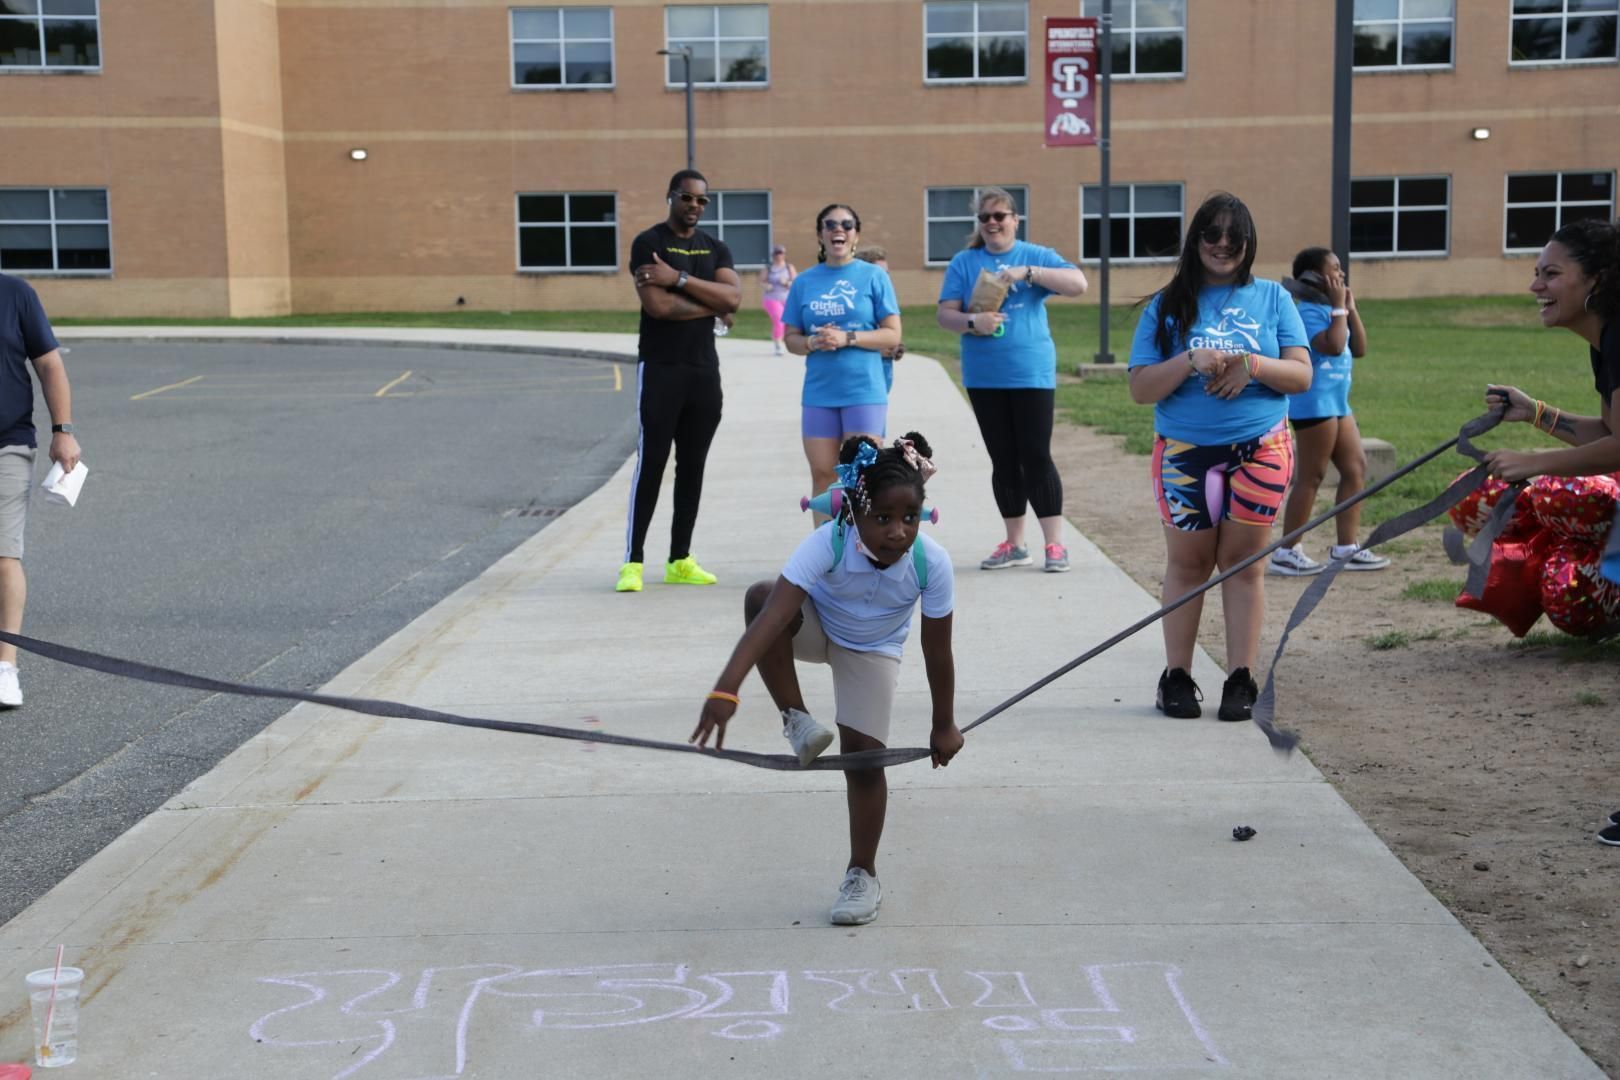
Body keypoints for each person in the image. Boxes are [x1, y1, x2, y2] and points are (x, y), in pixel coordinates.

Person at [690, 433, 960, 925]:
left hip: (873, 651)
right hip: (815, 628)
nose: (898, 532)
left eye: (909, 518)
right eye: (883, 518)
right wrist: (726, 687)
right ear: (854, 513)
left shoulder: (932, 563)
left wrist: (944, 724)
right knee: (760, 594)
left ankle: (863, 873)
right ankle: (797, 721)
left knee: (863, 761)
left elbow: (937, 650)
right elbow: (772, 617)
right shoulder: (827, 542)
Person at [1127, 192, 1312, 722]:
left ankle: (1240, 677)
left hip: (1261, 450)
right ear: (1196, 240)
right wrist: (1189, 359)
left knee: (1243, 566)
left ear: (1249, 244)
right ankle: (1177, 677)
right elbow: (1141, 388)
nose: (1223, 244)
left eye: (1235, 236)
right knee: (1188, 564)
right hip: (1186, 454)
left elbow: (1301, 375)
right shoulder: (1167, 306)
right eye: (1212, 234)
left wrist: (1252, 363)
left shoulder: (1274, 298)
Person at [1477, 217, 1619, 847]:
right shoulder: (1606, 341)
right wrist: (1534, 413)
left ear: (1598, 280)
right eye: (1538, 270)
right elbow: (1608, 433)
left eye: (1552, 272)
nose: (1536, 283)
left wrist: (1532, 466)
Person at [936, 187, 1088, 573]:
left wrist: (1030, 273)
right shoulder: (965, 262)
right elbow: (945, 315)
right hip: (985, 377)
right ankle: (1015, 544)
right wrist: (974, 322)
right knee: (1003, 460)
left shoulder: (1033, 255)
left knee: (1036, 456)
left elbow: (1078, 284)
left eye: (999, 216)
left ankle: (1055, 544)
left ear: (1014, 220)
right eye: (985, 218)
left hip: (1031, 373)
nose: (992, 223)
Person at [618, 168, 742, 593]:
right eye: (687, 198)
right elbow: (658, 307)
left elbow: (735, 297)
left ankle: (680, 559)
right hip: (661, 368)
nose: (694, 206)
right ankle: (632, 562)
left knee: (693, 466)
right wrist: (710, 303)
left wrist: (680, 281)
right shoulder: (649, 243)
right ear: (671, 197)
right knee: (651, 462)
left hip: (703, 373)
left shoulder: (715, 248)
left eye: (702, 200)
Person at [1270, 247, 1390, 575]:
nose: (1342, 275)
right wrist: (1338, 308)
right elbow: (1334, 345)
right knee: (1312, 475)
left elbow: (1358, 348)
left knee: (1355, 468)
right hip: (1313, 405)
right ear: (1314, 277)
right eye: (1335, 269)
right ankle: (1287, 550)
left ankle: (1346, 548)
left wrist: (1349, 309)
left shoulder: (1332, 310)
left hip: (1337, 403)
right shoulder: (1308, 312)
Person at [782, 205, 902, 514]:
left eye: (847, 225)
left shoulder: (874, 276)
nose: (839, 229)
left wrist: (847, 338)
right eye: (831, 224)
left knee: (861, 475)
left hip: (863, 390)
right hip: (819, 392)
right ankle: (826, 554)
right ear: (820, 234)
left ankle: (862, 551)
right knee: (823, 475)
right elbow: (791, 338)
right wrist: (812, 341)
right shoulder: (805, 282)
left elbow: (892, 335)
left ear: (856, 235)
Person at [0, 273, 81, 708]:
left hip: (6, 444)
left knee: (3, 554)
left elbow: (49, 363)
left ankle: (4, 666)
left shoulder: (15, 295)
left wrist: (63, 431)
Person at [853, 246, 906, 392]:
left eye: (887, 274)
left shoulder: (886, 301)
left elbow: (890, 333)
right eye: (880, 274)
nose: (885, 279)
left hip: (883, 371)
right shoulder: (853, 305)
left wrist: (895, 347)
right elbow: (843, 338)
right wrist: (877, 349)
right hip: (859, 378)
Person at [762, 244, 796, 356]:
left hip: (787, 298)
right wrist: (766, 286)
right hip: (772, 299)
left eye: (781, 253)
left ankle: (781, 340)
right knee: (779, 321)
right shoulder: (768, 268)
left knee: (787, 322)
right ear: (773, 255)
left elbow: (796, 282)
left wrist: (787, 283)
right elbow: (762, 281)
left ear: (784, 255)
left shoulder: (788, 267)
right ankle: (778, 345)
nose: (779, 256)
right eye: (777, 253)